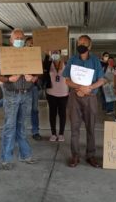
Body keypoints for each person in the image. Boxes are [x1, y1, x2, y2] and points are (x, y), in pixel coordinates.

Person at [0, 29, 38, 170]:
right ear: (11, 41)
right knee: (10, 126)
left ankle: (25, 155)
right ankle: (6, 158)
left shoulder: (31, 55)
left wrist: (33, 78)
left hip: (27, 94)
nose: (19, 39)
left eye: (21, 37)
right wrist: (9, 79)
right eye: (16, 38)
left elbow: (38, 74)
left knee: (22, 126)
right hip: (11, 95)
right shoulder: (5, 56)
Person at [63, 35, 106, 168]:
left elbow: (101, 80)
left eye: (84, 43)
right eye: (79, 42)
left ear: (90, 46)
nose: (81, 44)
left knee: (91, 128)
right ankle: (75, 156)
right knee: (74, 128)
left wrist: (89, 88)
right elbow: (67, 80)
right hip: (75, 97)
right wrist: (79, 88)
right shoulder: (72, 60)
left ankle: (91, 156)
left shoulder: (95, 61)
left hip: (90, 97)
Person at [43, 50, 69, 142]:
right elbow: (43, 72)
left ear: (60, 53)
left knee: (62, 114)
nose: (55, 55)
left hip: (64, 93)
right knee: (52, 114)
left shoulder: (66, 63)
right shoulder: (48, 63)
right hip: (51, 93)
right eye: (53, 53)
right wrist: (47, 56)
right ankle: (53, 134)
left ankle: (61, 134)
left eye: (57, 53)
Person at [25, 36, 42, 141]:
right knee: (23, 110)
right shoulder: (19, 56)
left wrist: (36, 77)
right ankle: (22, 131)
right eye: (29, 43)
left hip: (34, 87)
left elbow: (41, 72)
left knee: (34, 110)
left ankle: (35, 131)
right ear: (25, 45)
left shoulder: (37, 57)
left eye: (32, 43)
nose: (31, 45)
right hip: (22, 88)